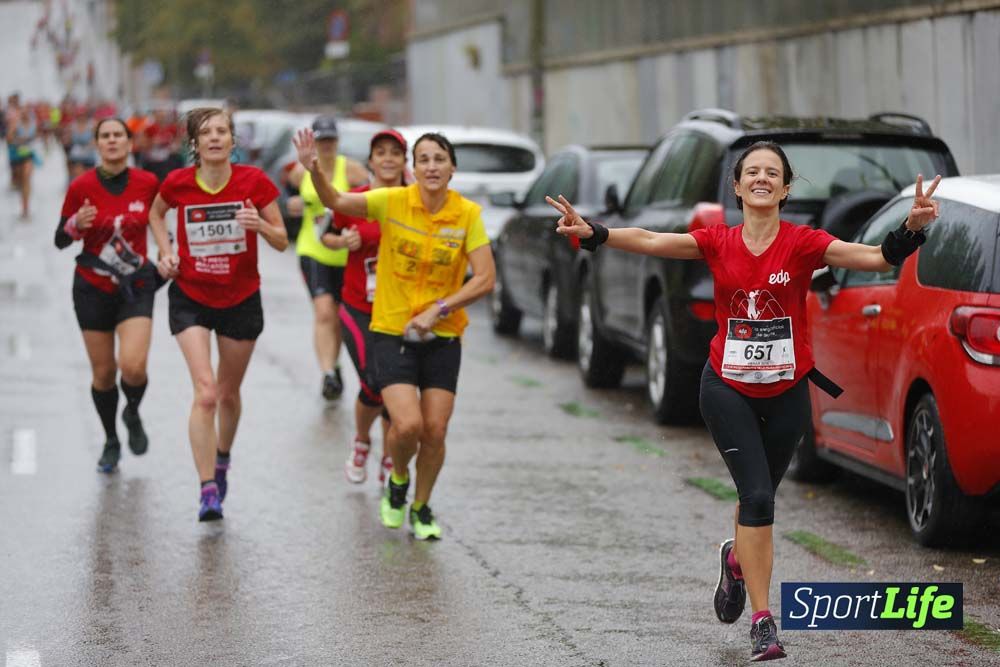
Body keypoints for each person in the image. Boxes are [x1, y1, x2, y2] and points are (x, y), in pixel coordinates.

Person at [548, 141, 941, 662]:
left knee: (758, 501)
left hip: (788, 394)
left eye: (771, 173)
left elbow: (872, 258)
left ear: (784, 188)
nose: (761, 178)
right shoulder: (717, 241)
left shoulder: (803, 243)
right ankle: (763, 622)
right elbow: (648, 238)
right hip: (726, 388)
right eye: (751, 172)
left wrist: (911, 228)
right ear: (736, 187)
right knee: (757, 499)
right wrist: (595, 232)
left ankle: (737, 561)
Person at [293, 128, 496, 540]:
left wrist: (440, 309)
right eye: (424, 159)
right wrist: (315, 169)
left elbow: (486, 279)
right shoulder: (391, 203)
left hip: (443, 334)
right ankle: (398, 477)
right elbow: (334, 202)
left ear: (452, 168)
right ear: (413, 169)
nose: (432, 167)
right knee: (407, 426)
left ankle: (421, 507)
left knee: (435, 430)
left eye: (440, 159)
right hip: (390, 330)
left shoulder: (467, 215)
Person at [149, 107, 288, 522]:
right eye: (205, 133)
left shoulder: (254, 182)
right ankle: (208, 488)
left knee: (228, 394)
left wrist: (258, 225)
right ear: (194, 143)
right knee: (205, 392)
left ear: (232, 140)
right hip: (191, 295)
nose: (214, 138)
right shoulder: (177, 182)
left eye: (221, 131)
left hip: (240, 299)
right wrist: (166, 251)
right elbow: (155, 214)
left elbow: (282, 239)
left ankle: (223, 456)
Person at [54, 118, 160, 472]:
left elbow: (161, 223)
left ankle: (132, 412)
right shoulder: (81, 186)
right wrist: (75, 225)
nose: (112, 141)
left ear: (130, 144)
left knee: (133, 366)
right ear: (97, 144)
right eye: (105, 136)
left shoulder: (147, 183)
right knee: (103, 373)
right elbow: (60, 239)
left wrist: (169, 254)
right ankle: (111, 439)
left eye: (119, 136)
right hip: (92, 287)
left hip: (136, 284)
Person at [328, 128, 408, 484]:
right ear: (371, 161)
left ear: (405, 161)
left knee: (397, 386)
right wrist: (344, 240)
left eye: (395, 152)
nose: (388, 158)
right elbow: (324, 234)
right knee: (374, 382)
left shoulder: (417, 201)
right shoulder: (355, 200)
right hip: (359, 304)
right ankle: (362, 441)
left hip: (402, 310)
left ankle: (389, 458)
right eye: (381, 153)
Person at [285, 116, 368, 401]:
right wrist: (292, 203)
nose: (327, 146)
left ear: (338, 141)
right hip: (314, 250)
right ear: (314, 143)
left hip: (348, 253)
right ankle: (328, 374)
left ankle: (335, 363)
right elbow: (287, 195)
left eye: (331, 140)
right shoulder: (301, 172)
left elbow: (373, 202)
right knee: (323, 312)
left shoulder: (353, 171)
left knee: (341, 318)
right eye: (321, 141)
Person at [7, 104, 39, 219]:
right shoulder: (16, 123)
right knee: (21, 181)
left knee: (26, 178)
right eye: (23, 112)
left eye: (27, 111)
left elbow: (36, 136)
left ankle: (26, 208)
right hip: (17, 155)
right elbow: (9, 139)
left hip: (29, 155)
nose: (25, 114)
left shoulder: (33, 123)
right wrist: (18, 139)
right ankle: (24, 206)